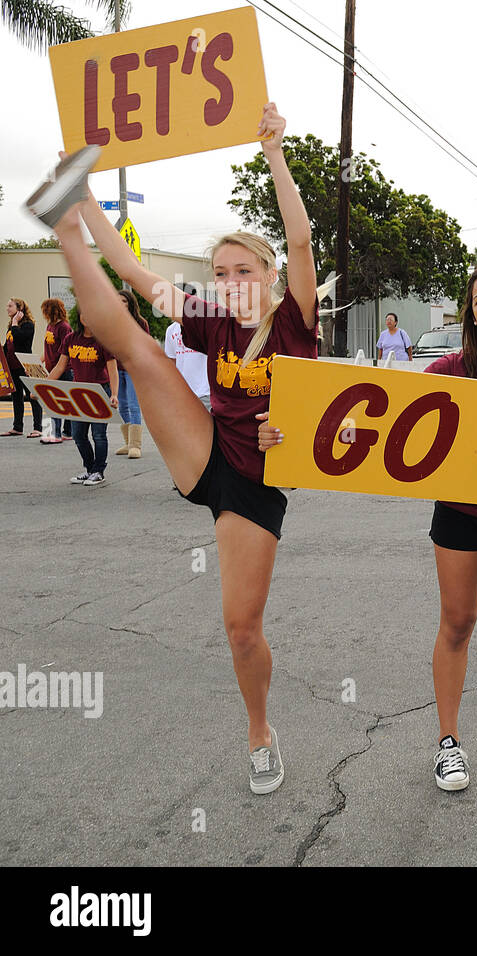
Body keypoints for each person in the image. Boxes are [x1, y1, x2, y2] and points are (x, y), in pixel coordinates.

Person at [29, 101, 317, 795]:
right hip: (208, 449)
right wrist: (90, 200)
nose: (229, 280)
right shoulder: (211, 316)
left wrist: (276, 154)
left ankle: (259, 729)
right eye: (220, 270)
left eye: (243, 268)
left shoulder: (294, 318)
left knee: (241, 629)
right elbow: (131, 269)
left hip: (259, 481)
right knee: (130, 341)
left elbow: (303, 242)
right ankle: (64, 218)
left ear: (270, 274)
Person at [264, 263, 477, 801]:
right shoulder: (453, 368)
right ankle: (448, 743)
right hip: (460, 511)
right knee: (457, 624)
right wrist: (314, 427)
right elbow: (385, 414)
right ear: (472, 313)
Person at [44, 310, 118, 486]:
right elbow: (60, 367)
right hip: (78, 393)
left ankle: (99, 471)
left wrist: (114, 394)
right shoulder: (70, 339)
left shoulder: (103, 340)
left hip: (99, 392)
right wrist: (44, 387)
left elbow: (112, 369)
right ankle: (90, 469)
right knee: (78, 435)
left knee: (98, 434)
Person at [113, 290, 153, 459]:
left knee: (133, 405)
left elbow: (146, 346)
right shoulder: (111, 321)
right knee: (121, 405)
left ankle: (136, 445)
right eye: (118, 301)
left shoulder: (140, 322)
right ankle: (128, 442)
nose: (121, 304)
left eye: (124, 301)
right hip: (116, 367)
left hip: (133, 369)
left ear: (130, 303)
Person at [4, 297, 43, 438]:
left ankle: (38, 428)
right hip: (12, 366)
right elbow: (8, 346)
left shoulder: (28, 325)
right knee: (16, 396)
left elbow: (20, 340)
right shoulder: (11, 326)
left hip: (25, 365)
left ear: (19, 309)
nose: (7, 308)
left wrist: (15, 323)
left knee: (32, 396)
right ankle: (17, 427)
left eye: (10, 306)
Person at [40, 298, 74, 443]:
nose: (44, 313)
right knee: (53, 401)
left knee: (61, 402)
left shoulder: (64, 327)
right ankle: (61, 432)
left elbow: (65, 351)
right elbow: (47, 349)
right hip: (51, 369)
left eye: (45, 309)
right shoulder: (50, 326)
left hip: (63, 370)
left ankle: (59, 433)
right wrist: (39, 362)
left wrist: (57, 368)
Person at [164, 319, 211, 411]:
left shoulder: (207, 326)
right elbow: (171, 364)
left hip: (206, 394)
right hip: (183, 396)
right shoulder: (171, 330)